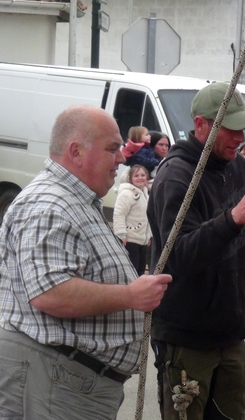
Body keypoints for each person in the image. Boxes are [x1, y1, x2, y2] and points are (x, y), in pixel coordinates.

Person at [0, 105, 171, 419]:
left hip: (65, 383)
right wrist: (131, 296)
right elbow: (50, 293)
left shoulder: (71, 200)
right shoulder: (50, 204)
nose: (121, 158)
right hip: (55, 384)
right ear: (76, 152)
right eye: (112, 148)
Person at [147, 82, 245, 420]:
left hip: (230, 333)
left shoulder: (235, 168)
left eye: (242, 127)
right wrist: (232, 218)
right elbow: (178, 256)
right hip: (186, 337)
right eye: (231, 128)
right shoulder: (175, 177)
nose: (240, 137)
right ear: (201, 125)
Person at [113, 164, 152, 275]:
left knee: (140, 270)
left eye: (143, 175)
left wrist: (148, 236)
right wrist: (121, 234)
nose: (140, 178)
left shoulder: (146, 194)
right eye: (136, 176)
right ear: (130, 179)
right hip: (130, 240)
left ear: (147, 177)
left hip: (142, 241)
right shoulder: (127, 194)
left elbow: (147, 217)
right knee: (131, 270)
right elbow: (119, 214)